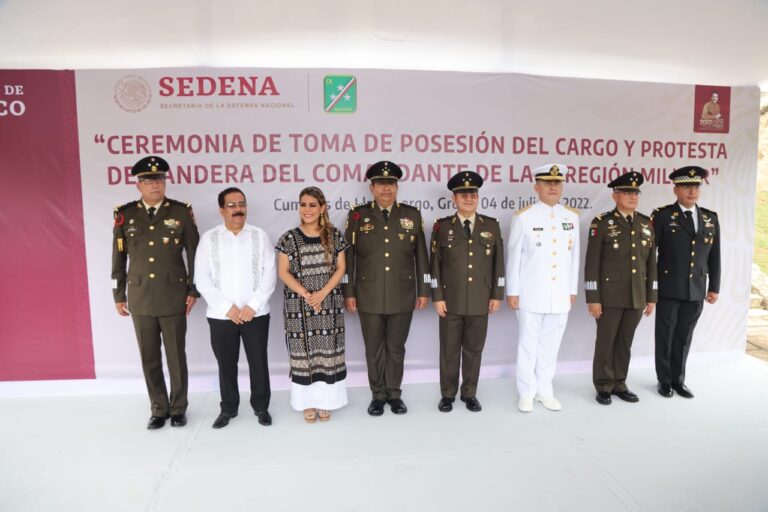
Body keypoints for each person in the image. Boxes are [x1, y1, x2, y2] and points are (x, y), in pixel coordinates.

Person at [112, 156, 199, 429]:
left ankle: (178, 407)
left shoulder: (181, 212)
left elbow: (195, 254)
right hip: (140, 296)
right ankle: (158, 408)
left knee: (176, 355)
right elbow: (118, 257)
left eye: (159, 179)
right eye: (148, 181)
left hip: (173, 293)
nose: (155, 185)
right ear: (138, 185)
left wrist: (193, 289)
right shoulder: (125, 214)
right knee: (149, 357)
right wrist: (118, 294)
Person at [342, 161, 431, 416]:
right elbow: (349, 258)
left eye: (390, 184)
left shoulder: (411, 215)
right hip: (367, 295)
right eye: (381, 184)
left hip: (402, 293)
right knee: (374, 348)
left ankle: (394, 394)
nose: (386, 189)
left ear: (397, 187)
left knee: (396, 347)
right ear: (371, 188)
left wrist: (424, 289)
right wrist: (349, 292)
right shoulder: (357, 215)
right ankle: (377, 395)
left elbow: (421, 257)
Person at [195, 187, 276, 429]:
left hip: (256, 314)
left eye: (241, 204)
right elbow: (202, 278)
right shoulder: (209, 239)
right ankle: (228, 408)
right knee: (226, 363)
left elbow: (269, 275)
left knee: (258, 361)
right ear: (222, 210)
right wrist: (227, 308)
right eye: (231, 205)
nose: (238, 209)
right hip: (221, 316)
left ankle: (261, 407)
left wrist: (251, 306)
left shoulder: (260, 236)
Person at [506, 164, 579, 413]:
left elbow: (574, 257)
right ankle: (526, 392)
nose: (552, 187)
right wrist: (513, 291)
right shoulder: (524, 217)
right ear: (536, 187)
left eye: (557, 183)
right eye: (547, 183)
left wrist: (572, 290)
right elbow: (514, 257)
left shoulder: (571, 217)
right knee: (528, 345)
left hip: (560, 295)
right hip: (530, 293)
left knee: (551, 346)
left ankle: (545, 391)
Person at [430, 171, 504, 413]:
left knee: (474, 350)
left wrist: (496, 295)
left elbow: (498, 264)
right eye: (463, 194)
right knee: (449, 351)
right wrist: (438, 296)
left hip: (480, 300)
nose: (468, 198)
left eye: (472, 194)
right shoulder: (441, 227)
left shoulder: (491, 226)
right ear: (454, 199)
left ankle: (469, 393)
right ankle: (448, 394)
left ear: (478, 197)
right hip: (450, 301)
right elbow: (435, 265)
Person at [584, 171, 657, 405]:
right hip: (609, 296)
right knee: (606, 341)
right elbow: (592, 263)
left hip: (637, 296)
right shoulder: (602, 222)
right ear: (615, 196)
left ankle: (619, 382)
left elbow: (651, 263)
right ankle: (604, 384)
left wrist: (651, 296)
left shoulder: (646, 223)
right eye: (627, 192)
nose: (633, 197)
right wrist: (593, 297)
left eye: (635, 193)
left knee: (625, 342)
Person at [277, 187, 349, 423]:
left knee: (328, 351)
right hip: (299, 306)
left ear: (322, 208)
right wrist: (308, 294)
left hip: (329, 303)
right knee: (303, 354)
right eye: (303, 205)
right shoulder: (288, 238)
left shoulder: (334, 235)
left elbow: (341, 268)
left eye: (312, 205)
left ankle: (327, 402)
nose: (307, 210)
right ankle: (306, 402)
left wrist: (322, 293)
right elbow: (283, 272)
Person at [651, 166, 720, 399]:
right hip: (669, 287)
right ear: (676, 189)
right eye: (686, 187)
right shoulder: (661, 216)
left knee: (684, 337)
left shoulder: (710, 218)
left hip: (696, 289)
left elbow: (715, 255)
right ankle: (664, 381)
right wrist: (651, 288)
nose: (692, 191)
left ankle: (678, 380)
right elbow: (651, 255)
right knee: (665, 335)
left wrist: (714, 287)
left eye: (696, 186)